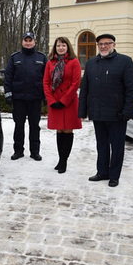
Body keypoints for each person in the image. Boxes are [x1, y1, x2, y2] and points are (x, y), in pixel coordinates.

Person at [78, 34, 133, 187]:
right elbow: (85, 89)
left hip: (117, 114)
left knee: (117, 147)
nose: (103, 46)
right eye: (100, 44)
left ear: (114, 45)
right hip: (97, 112)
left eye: (107, 44)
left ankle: (114, 175)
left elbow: (131, 90)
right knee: (101, 145)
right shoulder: (91, 63)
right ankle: (102, 171)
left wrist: (128, 111)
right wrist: (82, 110)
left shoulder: (124, 61)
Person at [4, 32, 47, 161]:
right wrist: (8, 94)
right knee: (19, 126)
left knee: (35, 126)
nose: (28, 43)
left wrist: (45, 97)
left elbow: (46, 79)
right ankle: (18, 151)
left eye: (30, 40)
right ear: (22, 42)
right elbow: (8, 77)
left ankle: (35, 152)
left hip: (35, 98)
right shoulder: (14, 58)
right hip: (19, 99)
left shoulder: (41, 58)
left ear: (34, 42)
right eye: (26, 40)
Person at [43, 37, 82, 174]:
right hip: (55, 102)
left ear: (68, 47)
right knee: (59, 130)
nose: (60, 48)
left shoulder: (74, 62)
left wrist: (64, 100)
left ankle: (64, 161)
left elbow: (75, 83)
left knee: (67, 131)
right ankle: (60, 159)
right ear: (55, 47)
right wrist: (52, 100)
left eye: (63, 45)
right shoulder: (50, 63)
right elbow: (46, 83)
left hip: (69, 102)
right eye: (58, 45)